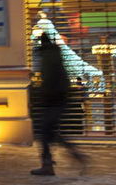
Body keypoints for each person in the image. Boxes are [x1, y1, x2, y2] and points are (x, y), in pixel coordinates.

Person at [30, 34, 87, 176]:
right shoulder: (55, 54)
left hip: (53, 100)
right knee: (50, 132)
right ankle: (74, 156)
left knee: (45, 133)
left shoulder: (48, 56)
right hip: (59, 99)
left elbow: (48, 79)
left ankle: (48, 165)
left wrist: (42, 94)